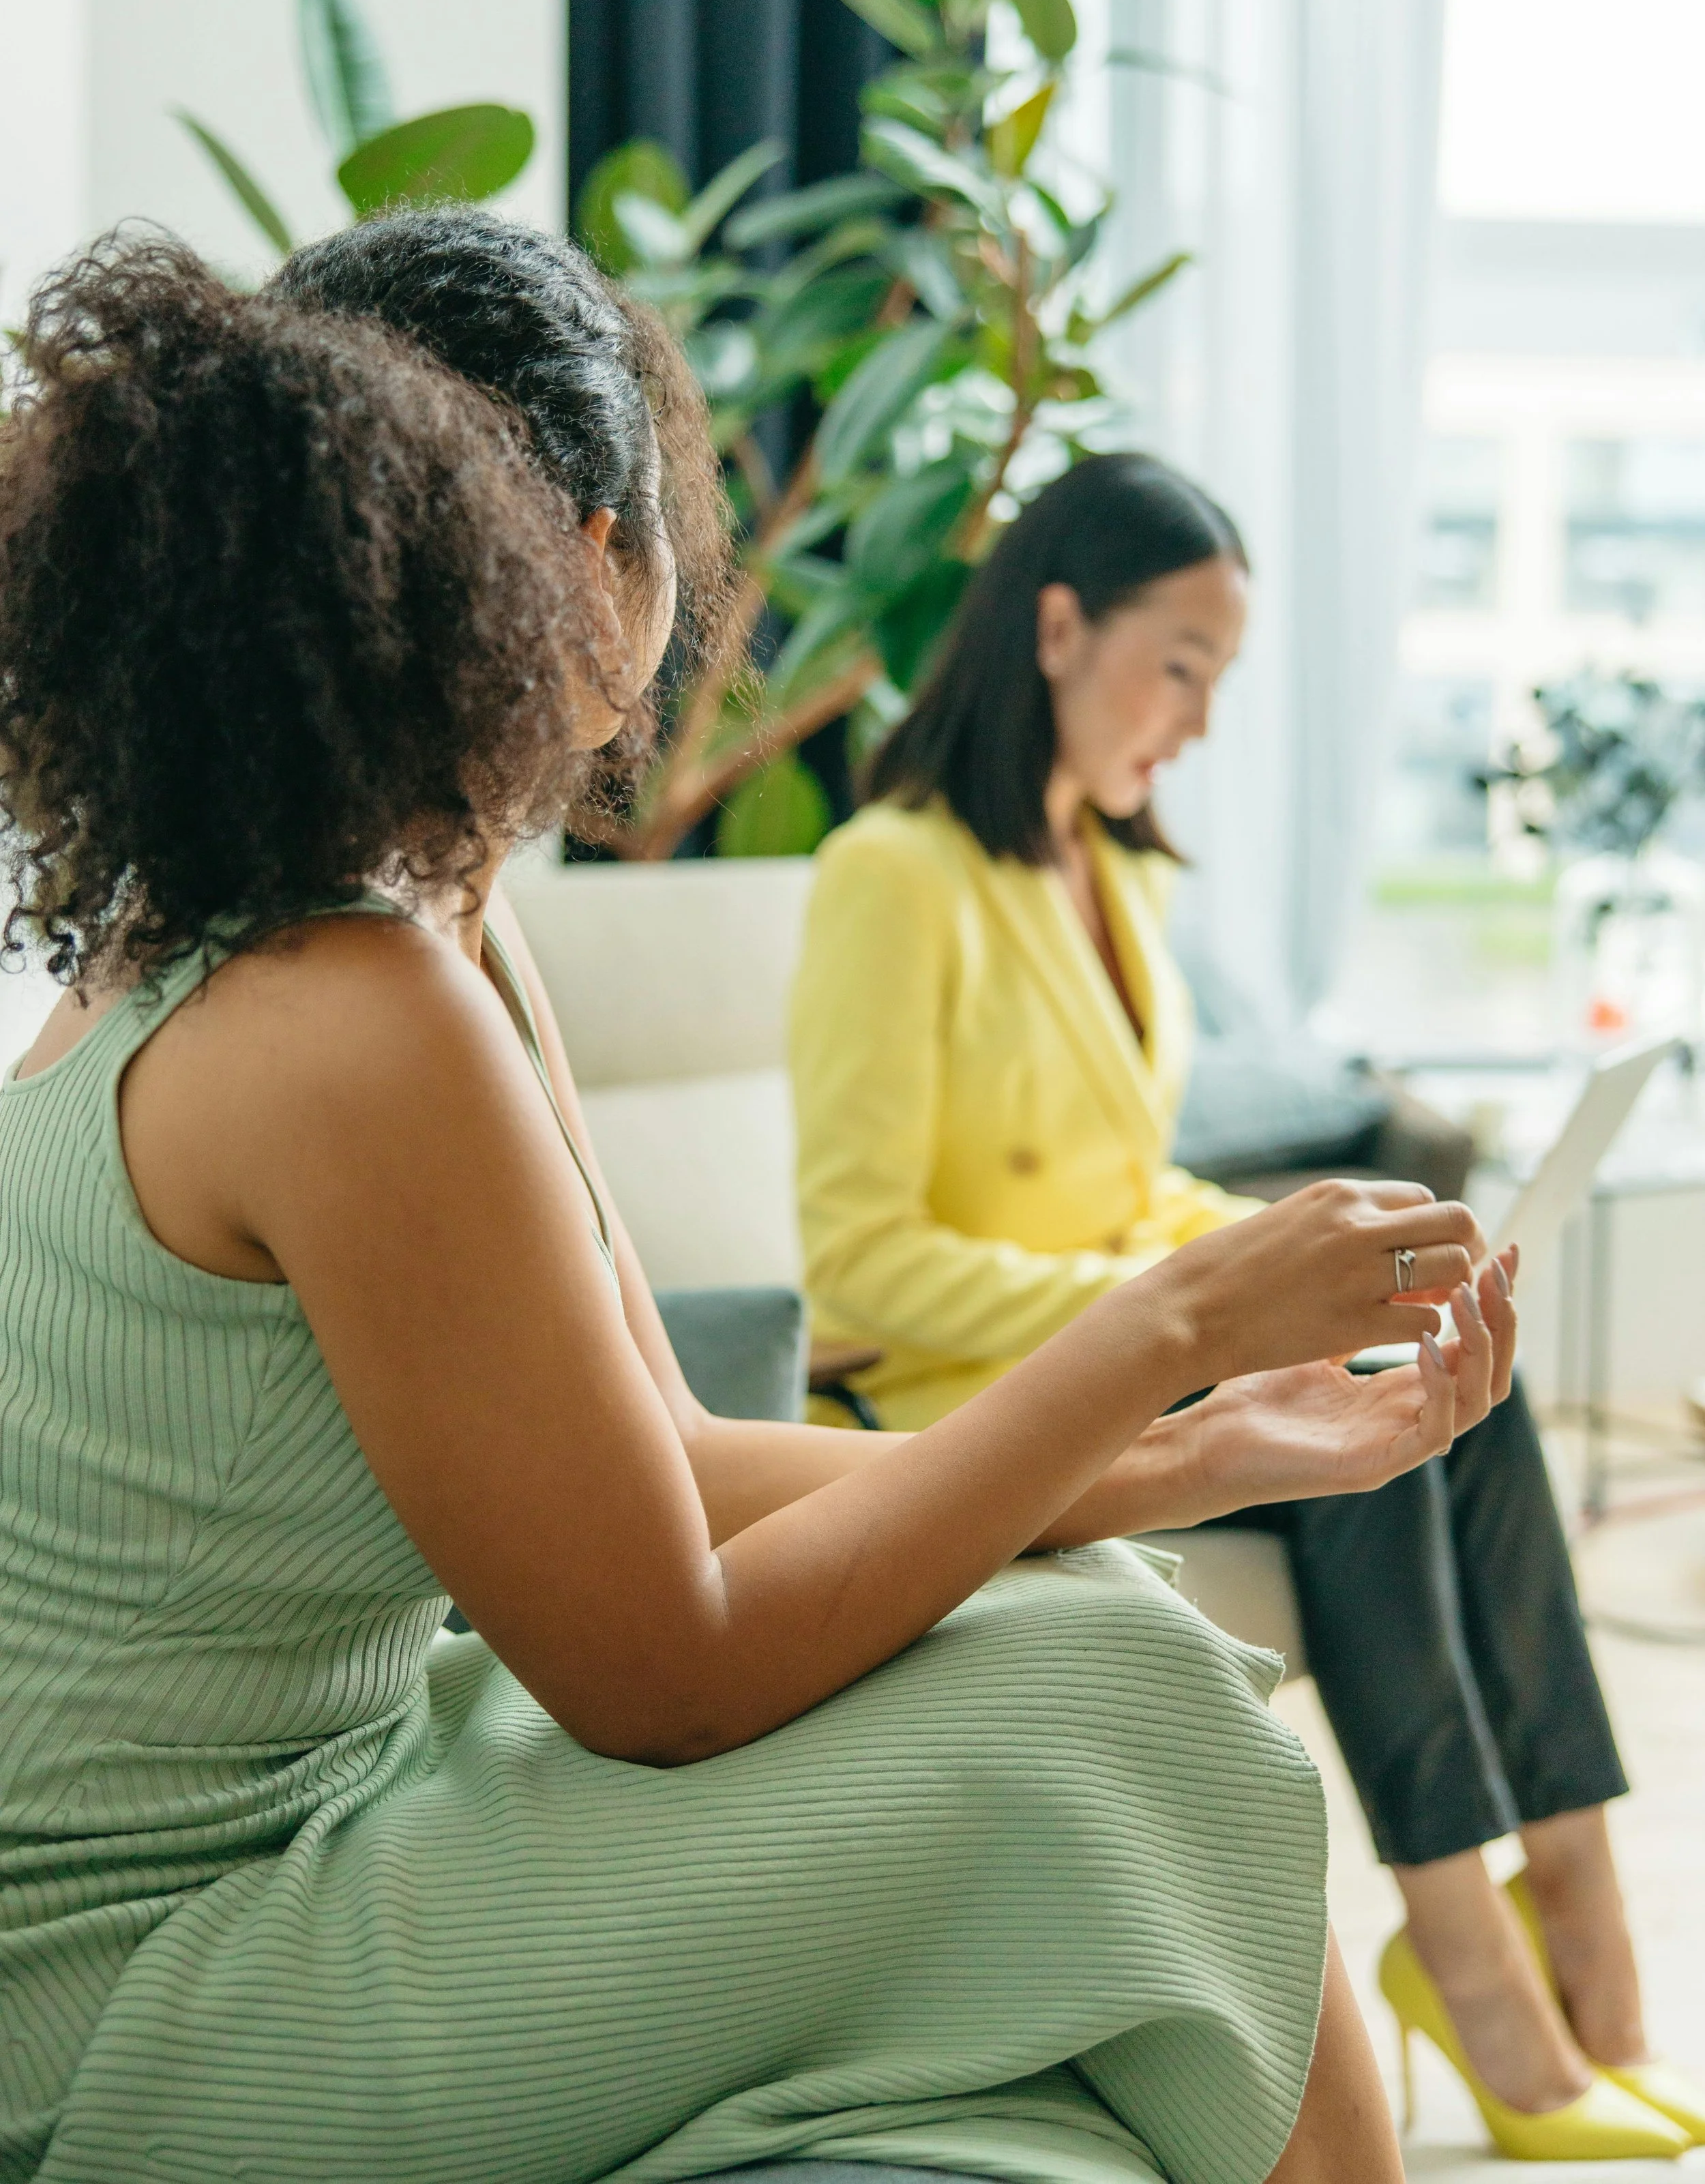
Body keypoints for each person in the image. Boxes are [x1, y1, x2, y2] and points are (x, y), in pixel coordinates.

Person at [0, 222, 1529, 2184]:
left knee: (1104, 1621)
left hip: (306, 1816)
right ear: (582, 549)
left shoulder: (300, 925)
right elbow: (662, 1673)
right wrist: (1174, 1319)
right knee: (1137, 1703)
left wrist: (1176, 1456)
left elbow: (670, 1453)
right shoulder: (357, 1012)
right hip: (137, 1991)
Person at [788, 454, 1705, 2164]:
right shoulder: (889, 877)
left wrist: (1307, 1246)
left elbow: (1121, 1187)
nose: (1199, 720)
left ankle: (1588, 1944)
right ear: (1056, 627)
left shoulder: (1116, 875)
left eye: (1222, 676)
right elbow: (859, 1268)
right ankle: (1469, 1973)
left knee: (1443, 1377)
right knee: (1353, 1424)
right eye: (1181, 664)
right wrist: (1204, 1311)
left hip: (1134, 1354)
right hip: (977, 1399)